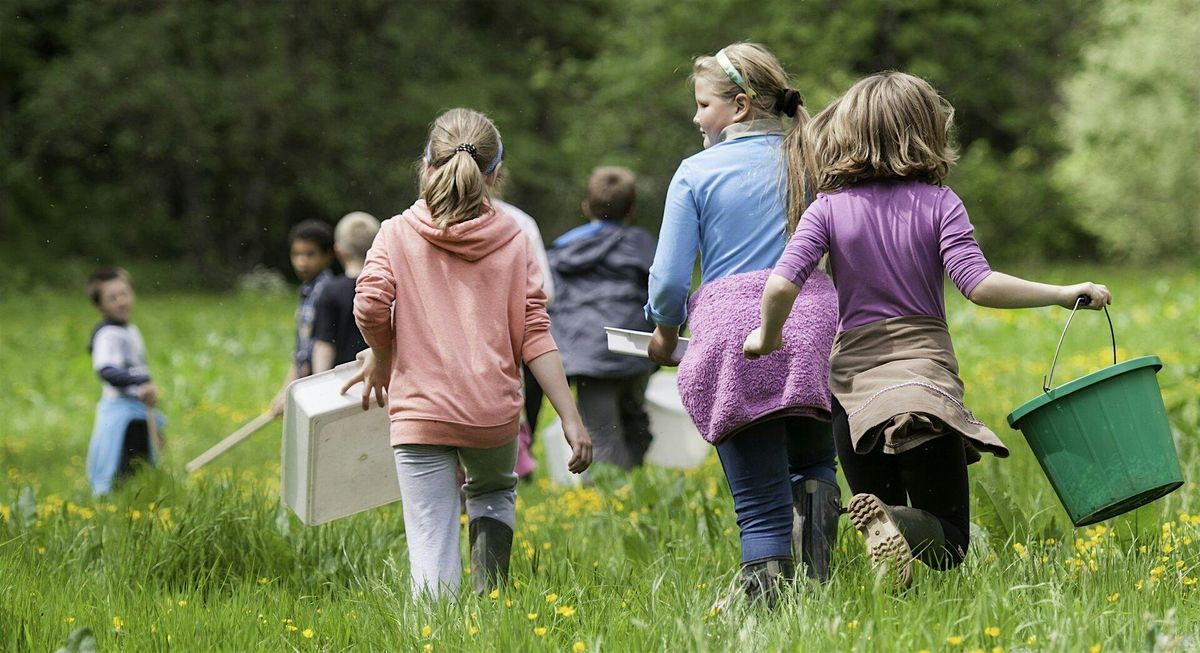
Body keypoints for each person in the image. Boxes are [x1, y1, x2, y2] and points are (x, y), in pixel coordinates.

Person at [744, 71, 1112, 589]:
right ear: (926, 133)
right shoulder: (940, 203)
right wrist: (1061, 292)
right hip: (924, 385)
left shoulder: (826, 208)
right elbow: (979, 285)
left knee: (882, 506)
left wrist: (766, 336)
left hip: (853, 390)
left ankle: (886, 531)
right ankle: (895, 526)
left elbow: (781, 284)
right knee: (948, 542)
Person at [346, 108, 593, 599]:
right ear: (496, 173)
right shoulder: (515, 238)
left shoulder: (396, 232)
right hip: (492, 410)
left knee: (430, 531)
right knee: (493, 493)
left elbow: (371, 303)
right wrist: (570, 416)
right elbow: (535, 335)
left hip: (420, 410)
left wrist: (382, 352)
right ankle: (491, 603)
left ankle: (438, 632)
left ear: (426, 165)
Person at [645, 43, 841, 604]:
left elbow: (667, 280)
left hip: (736, 334)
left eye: (703, 104)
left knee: (759, 502)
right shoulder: (813, 160)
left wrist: (663, 332)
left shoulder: (696, 172)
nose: (696, 116)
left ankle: (767, 600)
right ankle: (819, 591)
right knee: (813, 462)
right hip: (814, 324)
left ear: (738, 106)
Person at [548, 166, 657, 470]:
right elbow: (664, 294)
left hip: (587, 353)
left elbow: (547, 302)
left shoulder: (563, 249)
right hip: (634, 347)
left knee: (603, 433)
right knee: (635, 424)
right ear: (632, 209)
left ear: (586, 206)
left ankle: (618, 499)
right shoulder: (643, 245)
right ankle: (627, 497)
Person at [85, 267, 166, 496]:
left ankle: (142, 495)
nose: (121, 301)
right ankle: (115, 499)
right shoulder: (106, 334)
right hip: (121, 412)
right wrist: (140, 381)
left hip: (138, 409)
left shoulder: (131, 330)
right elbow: (107, 371)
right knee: (120, 460)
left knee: (144, 456)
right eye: (112, 298)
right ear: (99, 305)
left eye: (125, 293)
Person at [493, 197, 554, 480]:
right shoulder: (518, 222)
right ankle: (517, 463)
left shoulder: (407, 225)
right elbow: (544, 293)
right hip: (504, 347)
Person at [269, 220, 335, 416]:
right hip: (305, 383)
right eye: (296, 254)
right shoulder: (307, 291)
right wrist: (286, 392)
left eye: (309, 254)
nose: (302, 262)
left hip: (320, 383)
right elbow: (301, 350)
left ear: (327, 256)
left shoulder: (328, 292)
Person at [311, 212, 380, 373]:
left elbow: (324, 344)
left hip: (341, 385)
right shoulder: (386, 288)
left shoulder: (330, 290)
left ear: (338, 251)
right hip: (381, 378)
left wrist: (320, 382)